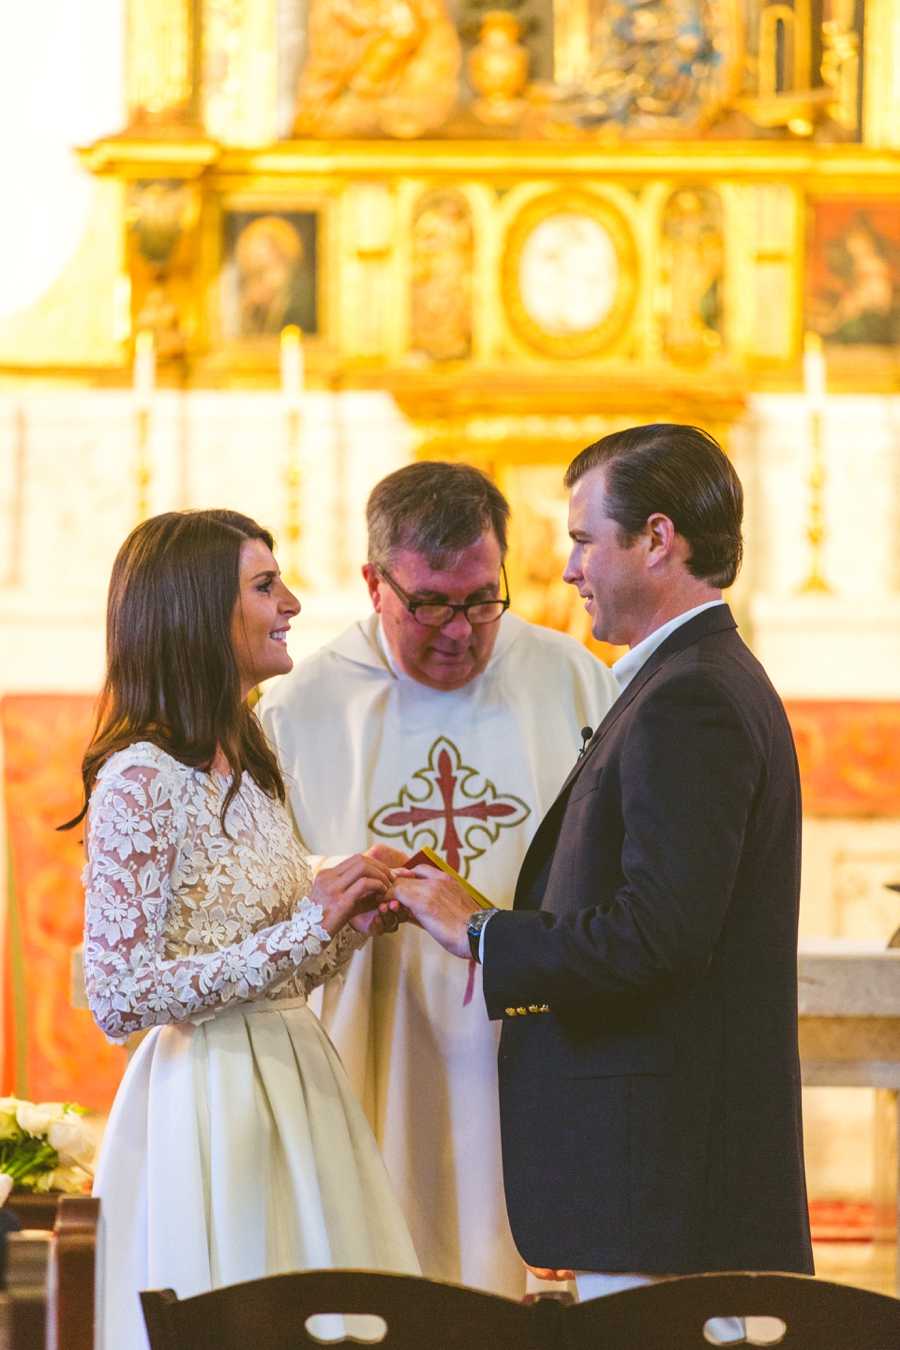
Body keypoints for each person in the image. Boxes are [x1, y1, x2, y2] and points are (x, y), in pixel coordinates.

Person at [391, 425, 814, 1301]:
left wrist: (482, 934)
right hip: (665, 1171)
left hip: (665, 1175)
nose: (569, 569)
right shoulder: (689, 678)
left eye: (584, 540)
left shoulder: (689, 696)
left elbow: (661, 938)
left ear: (657, 539)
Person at [259, 461, 619, 1297]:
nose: (460, 631)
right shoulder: (297, 707)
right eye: (430, 604)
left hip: (529, 1036)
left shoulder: (574, 682)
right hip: (366, 1030)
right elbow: (262, 889)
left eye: (482, 599)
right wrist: (330, 883)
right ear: (373, 584)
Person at [70, 510, 418, 1350]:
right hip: (212, 1101)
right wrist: (307, 923)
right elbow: (118, 996)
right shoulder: (141, 779)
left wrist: (349, 921)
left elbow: (280, 970)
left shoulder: (247, 765)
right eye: (265, 586)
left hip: (296, 1082)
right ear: (195, 611)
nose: (291, 602)